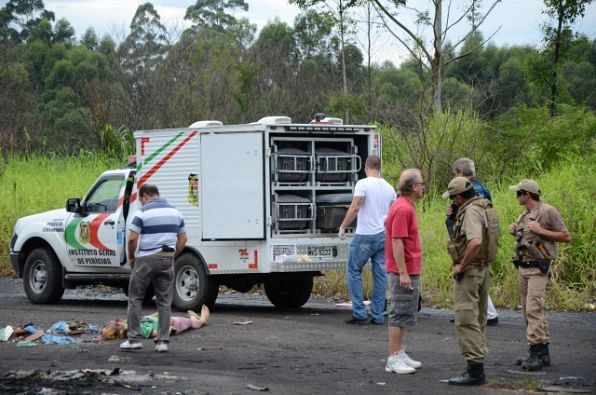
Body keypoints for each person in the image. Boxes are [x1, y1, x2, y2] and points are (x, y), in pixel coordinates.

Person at [442, 177, 500, 385]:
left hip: (472, 270)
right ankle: (476, 363)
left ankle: (475, 369)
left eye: (452, 198)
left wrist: (462, 265)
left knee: (466, 318)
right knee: (479, 317)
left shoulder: (471, 212)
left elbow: (475, 241)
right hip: (483, 268)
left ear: (458, 197)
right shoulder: (483, 206)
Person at [508, 179, 570, 371]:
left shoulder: (548, 211)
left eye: (519, 193)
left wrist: (540, 230)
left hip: (538, 268)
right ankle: (540, 352)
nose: (517, 196)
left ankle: (537, 353)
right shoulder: (524, 215)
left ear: (527, 194)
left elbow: (566, 236)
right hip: (524, 267)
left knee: (534, 309)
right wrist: (515, 231)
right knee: (528, 310)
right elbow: (528, 239)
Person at [120, 183, 187, 352]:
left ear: (145, 196)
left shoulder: (142, 212)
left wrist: (132, 257)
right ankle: (162, 342)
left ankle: (134, 339)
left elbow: (132, 239)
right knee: (164, 302)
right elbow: (183, 239)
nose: (141, 203)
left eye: (141, 199)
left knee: (135, 298)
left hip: (145, 260)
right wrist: (172, 255)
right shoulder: (176, 212)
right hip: (167, 259)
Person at [338, 155, 396, 325]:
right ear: (380, 167)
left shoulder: (363, 184)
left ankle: (359, 312)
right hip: (383, 235)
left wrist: (343, 226)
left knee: (354, 270)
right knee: (380, 274)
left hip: (365, 234)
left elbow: (356, 207)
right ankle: (377, 315)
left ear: (366, 166)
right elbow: (393, 212)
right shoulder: (389, 188)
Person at [446, 158, 499, 326]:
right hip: (486, 236)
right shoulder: (484, 188)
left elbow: (457, 218)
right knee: (480, 277)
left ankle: (471, 314)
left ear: (461, 173)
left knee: (467, 275)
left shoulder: (463, 189)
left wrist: (451, 215)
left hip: (469, 236)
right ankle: (486, 312)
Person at [384, 169, 425, 374]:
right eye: (422, 184)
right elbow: (397, 241)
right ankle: (393, 357)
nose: (424, 187)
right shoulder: (402, 209)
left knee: (405, 311)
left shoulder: (406, 206)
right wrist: (403, 272)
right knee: (398, 312)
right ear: (413, 186)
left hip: (409, 267)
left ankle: (399, 352)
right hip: (403, 269)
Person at [101, 306, 210, 340]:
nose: (118, 320)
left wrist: (156, 314)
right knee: (193, 324)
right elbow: (156, 333)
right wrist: (169, 329)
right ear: (120, 330)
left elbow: (146, 318)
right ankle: (202, 319)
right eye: (117, 323)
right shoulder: (140, 330)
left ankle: (192, 316)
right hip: (173, 324)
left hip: (165, 319)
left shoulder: (131, 322)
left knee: (187, 321)